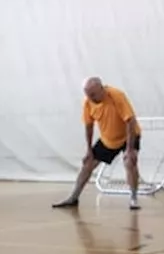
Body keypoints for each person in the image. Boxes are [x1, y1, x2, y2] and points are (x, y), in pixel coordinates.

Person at [52, 76, 141, 210]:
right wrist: (89, 150)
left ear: (101, 89)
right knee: (87, 164)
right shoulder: (88, 103)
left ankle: (133, 198)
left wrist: (129, 149)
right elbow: (88, 126)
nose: (90, 97)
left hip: (128, 135)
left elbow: (130, 121)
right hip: (108, 139)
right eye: (87, 95)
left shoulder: (116, 95)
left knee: (129, 162)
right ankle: (73, 197)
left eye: (93, 94)